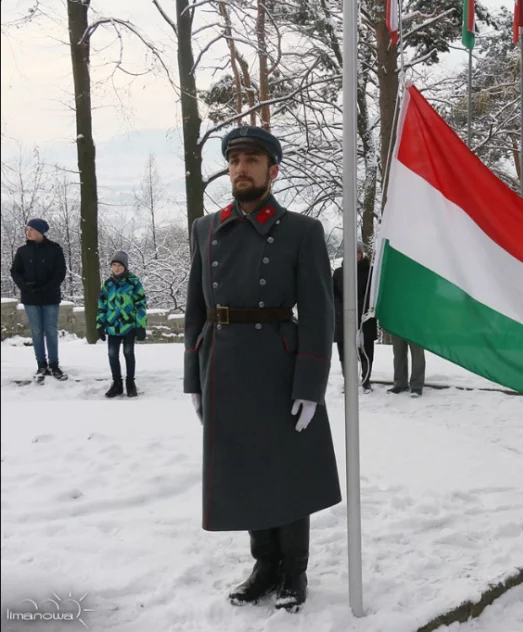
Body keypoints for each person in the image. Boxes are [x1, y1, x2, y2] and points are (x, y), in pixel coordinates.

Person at [183, 125, 341, 612]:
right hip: (223, 364)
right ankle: (264, 564)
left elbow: (319, 313)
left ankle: (294, 570)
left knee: (287, 470)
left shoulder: (301, 231)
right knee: (245, 467)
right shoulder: (205, 229)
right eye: (234, 161)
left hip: (279, 364)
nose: (241, 169)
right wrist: (194, 376)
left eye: (252, 160)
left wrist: (311, 384)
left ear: (273, 170)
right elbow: (194, 308)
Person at [10, 218, 68, 382]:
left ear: (41, 232)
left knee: (50, 330)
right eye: (26, 229)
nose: (28, 232)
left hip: (50, 297)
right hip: (30, 298)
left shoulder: (55, 249)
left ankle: (54, 365)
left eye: (31, 229)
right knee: (36, 331)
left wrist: (47, 287)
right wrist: (24, 286)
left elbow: (60, 272)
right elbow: (15, 271)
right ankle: (41, 365)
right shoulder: (22, 251)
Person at [96, 251, 147, 398]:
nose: (116, 268)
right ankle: (116, 383)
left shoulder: (133, 282)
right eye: (114, 265)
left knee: (128, 353)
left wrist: (140, 325)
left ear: (125, 266)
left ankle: (130, 382)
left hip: (129, 326)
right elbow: (102, 305)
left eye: (119, 265)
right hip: (112, 327)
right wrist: (100, 324)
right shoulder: (108, 284)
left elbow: (141, 305)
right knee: (112, 354)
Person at [332, 240, 378, 393]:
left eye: (357, 253)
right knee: (345, 353)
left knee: (366, 351)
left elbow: (371, 294)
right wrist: (343, 308)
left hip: (364, 319)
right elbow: (334, 295)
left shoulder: (369, 271)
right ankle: (349, 380)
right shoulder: (339, 273)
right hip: (343, 320)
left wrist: (359, 306)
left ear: (361, 254)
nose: (354, 256)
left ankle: (366, 380)